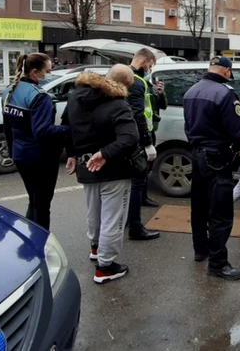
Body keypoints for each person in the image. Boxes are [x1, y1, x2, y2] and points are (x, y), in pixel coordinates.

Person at [183, 56, 240, 281]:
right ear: (227, 71)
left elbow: (188, 127)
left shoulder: (191, 91)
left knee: (199, 207)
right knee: (221, 213)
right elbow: (239, 132)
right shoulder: (226, 94)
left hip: (197, 155)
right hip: (217, 159)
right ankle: (218, 264)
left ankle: (201, 251)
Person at [62, 65, 140, 284]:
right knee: (113, 219)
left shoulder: (76, 96)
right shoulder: (118, 104)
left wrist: (72, 153)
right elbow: (129, 138)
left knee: (93, 211)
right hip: (113, 167)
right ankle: (105, 267)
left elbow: (66, 126)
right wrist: (105, 154)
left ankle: (95, 249)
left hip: (86, 164)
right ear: (123, 84)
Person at [1, 53, 67, 230]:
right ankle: (40, 247)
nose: (50, 75)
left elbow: (7, 127)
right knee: (42, 205)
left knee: (34, 201)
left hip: (21, 154)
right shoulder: (40, 97)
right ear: (35, 72)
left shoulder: (9, 90)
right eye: (48, 71)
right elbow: (42, 131)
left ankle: (28, 242)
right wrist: (68, 130)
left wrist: (12, 151)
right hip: (41, 158)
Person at [125, 48, 161, 240]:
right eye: (150, 64)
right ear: (144, 61)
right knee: (136, 183)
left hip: (130, 136)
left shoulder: (127, 77)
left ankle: (127, 221)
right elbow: (137, 113)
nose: (150, 68)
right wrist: (147, 142)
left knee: (132, 184)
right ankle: (135, 227)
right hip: (138, 138)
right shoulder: (136, 82)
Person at [143, 59, 168, 208]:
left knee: (147, 167)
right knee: (141, 168)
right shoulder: (140, 87)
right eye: (150, 67)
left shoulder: (151, 88)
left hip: (152, 130)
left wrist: (161, 93)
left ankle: (143, 197)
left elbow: (163, 106)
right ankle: (139, 199)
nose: (150, 70)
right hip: (143, 133)